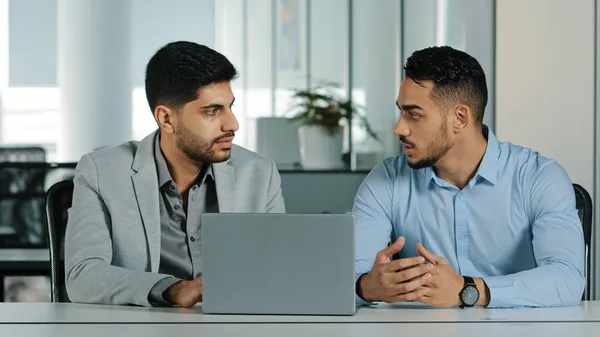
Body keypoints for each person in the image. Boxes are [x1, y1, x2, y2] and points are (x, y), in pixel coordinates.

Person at [353, 46, 585, 309]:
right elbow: (348, 277)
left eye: (414, 114)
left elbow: (567, 278)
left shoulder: (539, 178)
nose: (399, 128)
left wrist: (470, 290)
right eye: (401, 112)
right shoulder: (386, 180)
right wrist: (366, 287)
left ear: (460, 118)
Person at [65, 41, 285, 307]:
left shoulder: (259, 174)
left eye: (230, 107)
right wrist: (174, 289)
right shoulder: (102, 171)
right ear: (166, 119)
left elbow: (277, 272)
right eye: (212, 111)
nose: (232, 124)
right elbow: (82, 277)